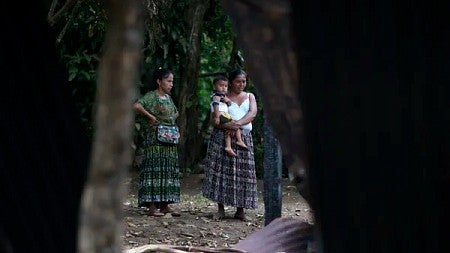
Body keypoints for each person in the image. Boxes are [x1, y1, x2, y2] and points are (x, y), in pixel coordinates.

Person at [202, 69, 258, 221]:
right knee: (221, 173)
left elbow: (252, 113)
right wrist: (228, 126)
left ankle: (241, 210)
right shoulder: (220, 97)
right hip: (222, 137)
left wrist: (237, 124)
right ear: (231, 82)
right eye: (238, 81)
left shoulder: (249, 96)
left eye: (244, 81)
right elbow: (215, 120)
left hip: (244, 138)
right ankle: (220, 209)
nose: (241, 84)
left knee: (244, 173)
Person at [133, 68, 181, 217]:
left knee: (167, 169)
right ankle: (152, 207)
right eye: (169, 81)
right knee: (154, 169)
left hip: (169, 139)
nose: (171, 84)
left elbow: (175, 112)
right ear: (159, 82)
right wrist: (151, 117)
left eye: (172, 81)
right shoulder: (151, 96)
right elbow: (136, 105)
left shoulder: (169, 98)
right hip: (155, 139)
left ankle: (165, 205)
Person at [210, 75, 248, 157]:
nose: (223, 88)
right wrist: (216, 117)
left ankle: (228, 146)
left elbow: (229, 104)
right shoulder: (216, 96)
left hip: (224, 115)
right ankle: (239, 140)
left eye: (225, 86)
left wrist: (228, 101)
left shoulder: (223, 96)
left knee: (228, 130)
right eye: (221, 85)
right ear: (215, 86)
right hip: (220, 114)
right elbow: (216, 106)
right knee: (235, 125)